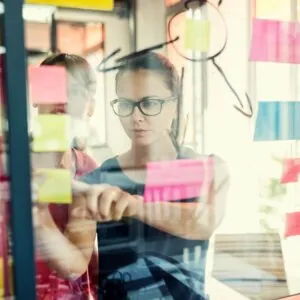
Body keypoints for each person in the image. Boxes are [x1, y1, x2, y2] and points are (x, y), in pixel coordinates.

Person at [72, 51, 230, 299]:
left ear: (175, 106)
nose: (136, 117)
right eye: (125, 104)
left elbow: (203, 222)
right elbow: (75, 265)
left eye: (149, 103)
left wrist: (133, 205)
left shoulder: (208, 168)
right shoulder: (98, 179)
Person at [32, 53, 99, 299]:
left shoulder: (88, 170)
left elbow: (75, 265)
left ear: (90, 106)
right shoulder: (7, 160)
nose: (63, 98)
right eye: (52, 87)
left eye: (76, 91)